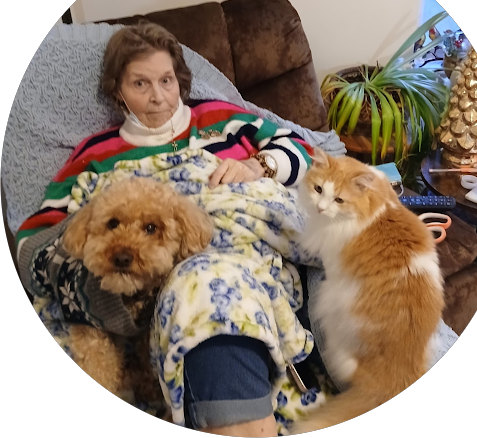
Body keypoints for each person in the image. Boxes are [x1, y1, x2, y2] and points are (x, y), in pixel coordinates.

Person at [16, 22, 315, 436]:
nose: (158, 96)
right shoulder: (94, 154)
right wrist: (84, 283)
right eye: (141, 83)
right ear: (118, 91)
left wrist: (257, 165)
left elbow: (304, 150)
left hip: (248, 257)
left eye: (167, 81)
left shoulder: (221, 119)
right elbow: (35, 238)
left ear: (180, 82)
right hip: (152, 291)